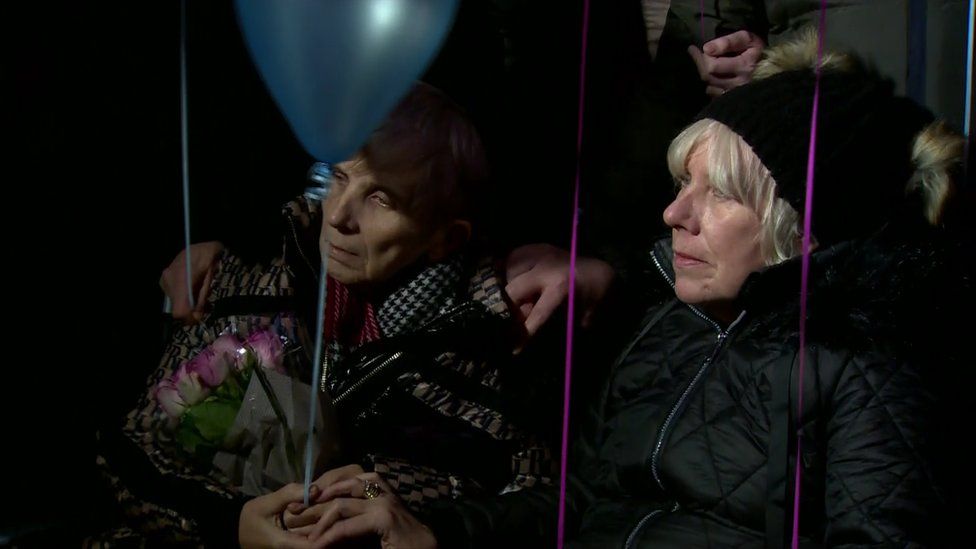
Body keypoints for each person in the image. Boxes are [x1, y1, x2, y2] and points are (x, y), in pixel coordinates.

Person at [93, 82, 560, 548]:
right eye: (338, 177)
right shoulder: (249, 286)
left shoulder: (488, 350)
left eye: (381, 199)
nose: (338, 216)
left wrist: (423, 523)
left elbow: (548, 502)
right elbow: (130, 450)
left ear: (447, 239)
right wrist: (228, 524)